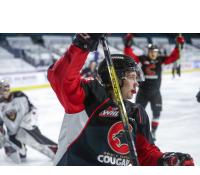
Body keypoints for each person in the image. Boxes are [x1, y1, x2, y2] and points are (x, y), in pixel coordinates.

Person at [47, 33, 194, 166]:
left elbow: (145, 154)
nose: (136, 83)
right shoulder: (88, 95)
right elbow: (61, 78)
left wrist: (165, 161)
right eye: (131, 77)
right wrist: (82, 44)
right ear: (115, 79)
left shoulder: (136, 112)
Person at [124, 33, 185, 141]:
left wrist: (178, 45)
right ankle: (134, 130)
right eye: (151, 51)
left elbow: (174, 56)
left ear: (158, 53)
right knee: (135, 112)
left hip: (155, 93)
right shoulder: (142, 59)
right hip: (142, 92)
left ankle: (153, 132)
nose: (153, 54)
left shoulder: (161, 60)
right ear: (148, 51)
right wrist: (128, 45)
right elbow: (130, 56)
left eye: (155, 52)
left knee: (156, 113)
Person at [0, 79, 57, 164]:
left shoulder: (20, 95)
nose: (6, 90)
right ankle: (14, 147)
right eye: (3, 88)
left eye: (7, 87)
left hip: (26, 128)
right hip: (13, 134)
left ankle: (56, 150)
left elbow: (33, 110)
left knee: (40, 144)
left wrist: (27, 122)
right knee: (20, 157)